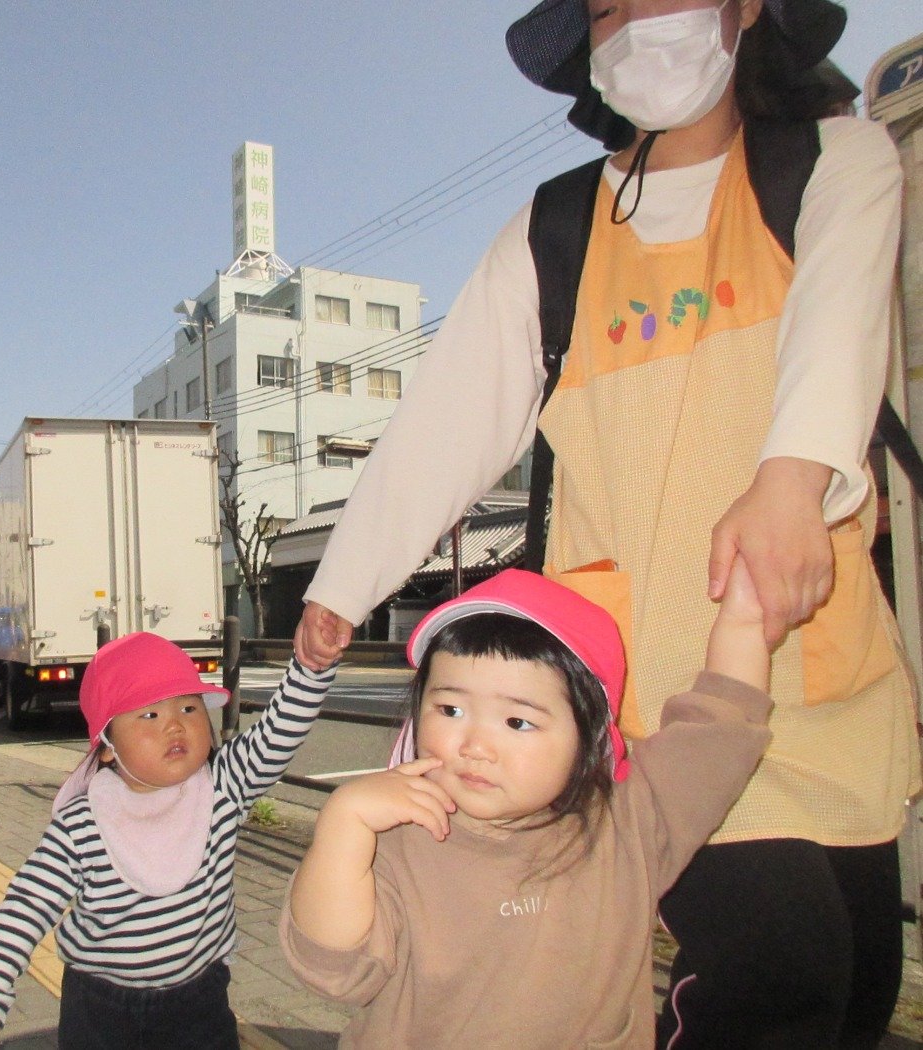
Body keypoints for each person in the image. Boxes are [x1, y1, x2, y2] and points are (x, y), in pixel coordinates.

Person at [294, 2, 916, 1045]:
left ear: (744, 8)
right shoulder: (558, 228)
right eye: (605, 8)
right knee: (778, 970)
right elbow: (449, 418)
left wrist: (789, 480)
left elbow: (839, 326)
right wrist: (344, 582)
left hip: (812, 656)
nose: (631, 21)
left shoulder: (831, 161)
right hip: (637, 698)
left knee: (855, 981)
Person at [283, 564, 770, 1046]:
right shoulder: (398, 836)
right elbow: (335, 970)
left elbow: (720, 730)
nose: (475, 745)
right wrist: (343, 827)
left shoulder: (630, 822)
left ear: (589, 736)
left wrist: (746, 614)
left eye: (517, 722)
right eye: (451, 709)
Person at [0, 633, 336, 1050]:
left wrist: (311, 670)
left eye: (188, 707)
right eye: (149, 714)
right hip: (100, 1009)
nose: (175, 724)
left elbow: (278, 734)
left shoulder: (222, 787)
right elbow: (26, 907)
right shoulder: (83, 824)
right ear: (107, 748)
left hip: (199, 1002)